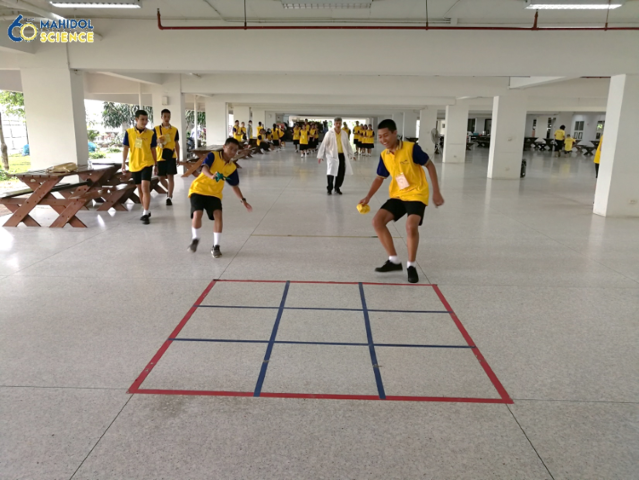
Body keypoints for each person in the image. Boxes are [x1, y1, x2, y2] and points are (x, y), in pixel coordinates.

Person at [358, 119, 444, 284]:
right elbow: (380, 178)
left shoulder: (411, 148)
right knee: (377, 221)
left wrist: (436, 192)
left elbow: (430, 165)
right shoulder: (384, 155)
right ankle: (393, 260)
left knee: (411, 226)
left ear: (395, 133)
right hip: (398, 195)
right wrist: (368, 197)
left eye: (386, 135)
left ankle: (411, 265)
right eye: (380, 137)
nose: (383, 140)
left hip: (417, 194)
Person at [187, 137, 252, 258]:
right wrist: (211, 176)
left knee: (218, 215)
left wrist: (243, 200)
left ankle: (216, 246)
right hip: (198, 189)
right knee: (197, 214)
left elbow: (234, 185)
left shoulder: (232, 167)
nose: (233, 152)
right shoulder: (213, 155)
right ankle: (195, 239)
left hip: (214, 193)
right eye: (230, 148)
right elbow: (204, 168)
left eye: (235, 150)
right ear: (224, 147)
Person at [122, 110, 157, 225]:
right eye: (142, 119)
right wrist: (123, 163)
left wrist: (156, 164)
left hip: (147, 163)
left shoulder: (151, 133)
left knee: (145, 187)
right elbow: (126, 148)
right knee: (140, 189)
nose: (145, 122)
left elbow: (153, 150)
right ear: (136, 119)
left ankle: (145, 213)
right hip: (134, 165)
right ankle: (145, 210)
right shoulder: (129, 132)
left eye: (146, 119)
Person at [318, 117, 355, 195]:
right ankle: (329, 188)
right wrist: (320, 155)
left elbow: (348, 145)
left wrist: (352, 154)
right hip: (332, 155)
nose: (338, 125)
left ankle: (337, 187)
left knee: (341, 172)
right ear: (334, 124)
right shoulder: (329, 133)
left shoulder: (344, 133)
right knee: (331, 172)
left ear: (341, 124)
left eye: (339, 123)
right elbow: (324, 144)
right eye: (337, 123)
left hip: (341, 155)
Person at [154, 109, 180, 206]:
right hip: (160, 156)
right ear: (161, 117)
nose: (167, 118)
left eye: (168, 116)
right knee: (160, 178)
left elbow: (176, 144)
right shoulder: (156, 129)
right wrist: (157, 141)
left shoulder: (174, 130)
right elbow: (151, 143)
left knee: (170, 177)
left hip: (171, 156)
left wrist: (178, 156)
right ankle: (169, 190)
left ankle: (169, 196)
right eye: (165, 116)